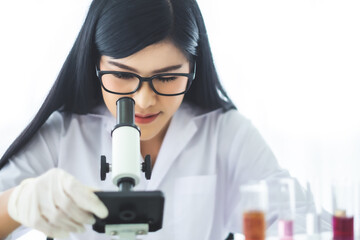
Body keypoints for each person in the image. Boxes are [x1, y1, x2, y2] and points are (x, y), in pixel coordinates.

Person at [0, 0, 312, 239]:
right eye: (122, 74)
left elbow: (304, 223)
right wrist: (15, 203)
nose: (144, 100)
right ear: (95, 64)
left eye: (166, 77)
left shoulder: (226, 134)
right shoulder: (62, 134)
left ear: (192, 68)